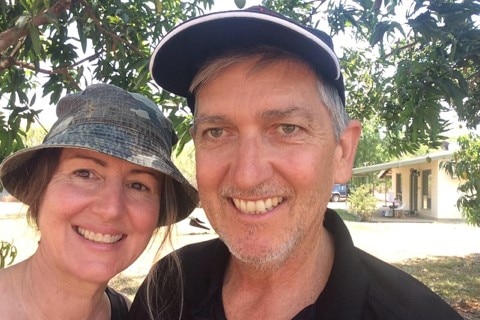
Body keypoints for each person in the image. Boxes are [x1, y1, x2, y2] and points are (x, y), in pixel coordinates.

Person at [129, 6, 462, 320]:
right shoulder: (170, 289)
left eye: (287, 129)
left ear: (342, 153)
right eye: (217, 132)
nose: (247, 175)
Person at [0, 83, 198, 320]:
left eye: (138, 185)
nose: (111, 209)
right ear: (39, 188)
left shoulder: (130, 314)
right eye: (84, 173)